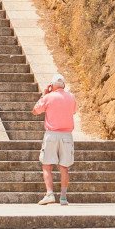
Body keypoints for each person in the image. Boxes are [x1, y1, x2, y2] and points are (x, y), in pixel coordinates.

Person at [33, 74, 77, 205]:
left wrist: (45, 94)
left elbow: (35, 111)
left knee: (47, 165)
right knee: (64, 167)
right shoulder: (71, 97)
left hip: (52, 134)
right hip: (67, 135)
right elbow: (73, 111)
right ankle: (63, 197)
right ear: (64, 85)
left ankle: (50, 194)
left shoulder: (48, 97)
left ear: (52, 85)